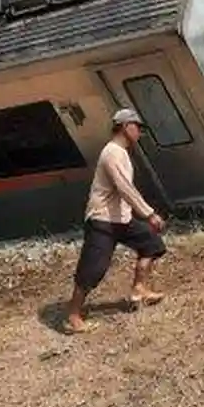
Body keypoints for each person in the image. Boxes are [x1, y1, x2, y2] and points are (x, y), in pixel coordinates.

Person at [63, 108, 167, 334]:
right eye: (137, 127)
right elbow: (125, 188)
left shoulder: (122, 153)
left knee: (151, 243)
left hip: (121, 219)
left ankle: (139, 289)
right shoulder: (112, 153)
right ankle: (72, 315)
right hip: (102, 220)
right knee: (93, 269)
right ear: (124, 126)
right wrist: (149, 213)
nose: (139, 132)